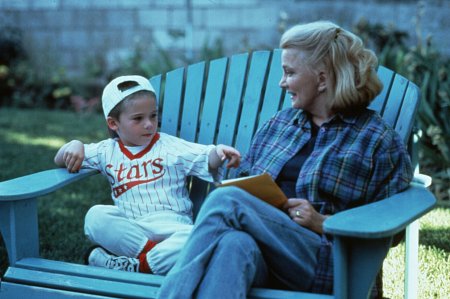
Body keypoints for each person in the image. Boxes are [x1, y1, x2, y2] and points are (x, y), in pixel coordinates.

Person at [157, 20, 413, 298]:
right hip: (267, 255)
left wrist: (323, 222)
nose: (282, 83)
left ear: (323, 78)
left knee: (225, 201)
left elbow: (392, 229)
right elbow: (243, 186)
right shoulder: (280, 124)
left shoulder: (376, 140)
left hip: (328, 264)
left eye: (289, 73)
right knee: (233, 244)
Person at [54, 75, 241, 275]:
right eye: (138, 118)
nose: (150, 124)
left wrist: (219, 152)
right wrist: (74, 145)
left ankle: (136, 266)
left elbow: (205, 157)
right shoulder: (106, 151)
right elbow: (59, 159)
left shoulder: (170, 146)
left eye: (153, 115)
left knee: (205, 233)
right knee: (95, 216)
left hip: (174, 229)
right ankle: (152, 261)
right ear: (113, 123)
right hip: (132, 231)